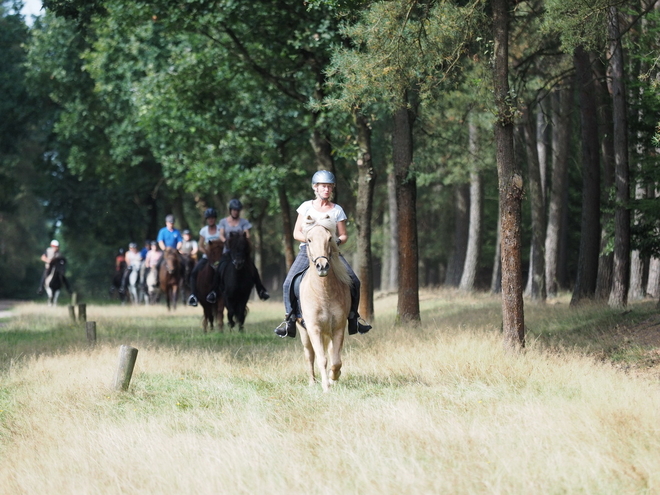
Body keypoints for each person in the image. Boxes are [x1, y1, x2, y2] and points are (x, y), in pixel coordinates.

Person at [274, 170, 371, 338]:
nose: (326, 189)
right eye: (323, 186)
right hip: (308, 251)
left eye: (329, 186)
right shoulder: (305, 207)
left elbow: (343, 235)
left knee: (354, 281)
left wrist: (335, 242)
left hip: (330, 251)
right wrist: (313, 241)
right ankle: (289, 320)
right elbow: (296, 233)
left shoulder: (337, 210)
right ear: (315, 188)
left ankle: (353, 318)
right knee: (288, 283)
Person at [205, 198, 270, 304]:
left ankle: (261, 290)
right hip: (228, 251)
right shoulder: (223, 222)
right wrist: (225, 241)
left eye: (237, 210)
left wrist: (245, 239)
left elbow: (247, 234)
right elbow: (221, 234)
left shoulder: (244, 222)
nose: (236, 212)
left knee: (253, 268)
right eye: (234, 210)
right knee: (219, 268)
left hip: (241, 253)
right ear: (230, 210)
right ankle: (214, 292)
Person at [187, 207, 222, 306]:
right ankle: (194, 295)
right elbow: (200, 245)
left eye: (212, 218)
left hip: (219, 257)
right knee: (194, 272)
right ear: (207, 220)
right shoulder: (204, 231)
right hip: (207, 257)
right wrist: (207, 252)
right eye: (209, 218)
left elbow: (223, 243)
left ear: (215, 219)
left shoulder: (220, 230)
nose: (211, 220)